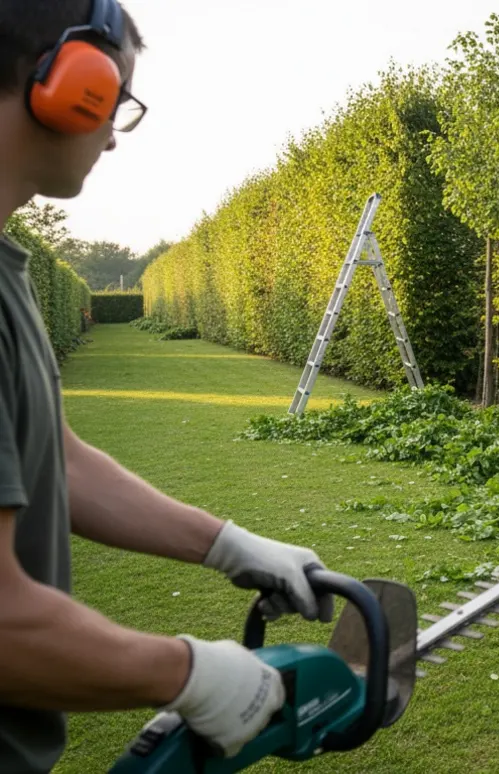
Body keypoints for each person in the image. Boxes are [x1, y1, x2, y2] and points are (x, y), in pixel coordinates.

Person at [0, 2, 336, 771]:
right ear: (66, 82)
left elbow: (59, 457)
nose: (113, 132)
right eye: (114, 100)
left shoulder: (8, 270)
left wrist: (228, 545)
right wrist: (190, 673)